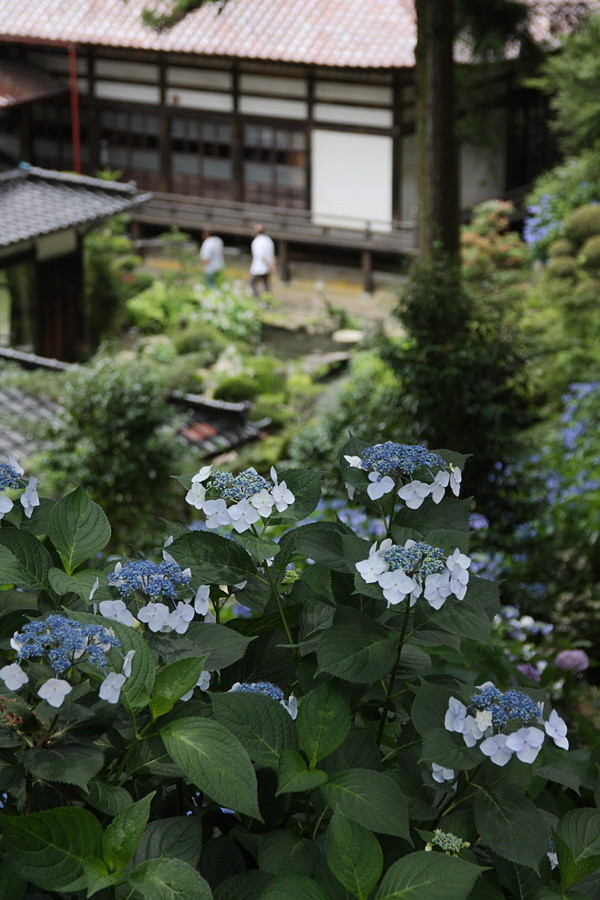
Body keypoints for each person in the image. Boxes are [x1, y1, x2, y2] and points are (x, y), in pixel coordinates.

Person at [249, 224, 275, 297]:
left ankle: (259, 299)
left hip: (259, 267)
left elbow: (261, 256)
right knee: (266, 284)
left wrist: (269, 265)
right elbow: (272, 254)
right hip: (267, 267)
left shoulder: (257, 241)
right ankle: (267, 301)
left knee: (252, 283)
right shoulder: (268, 240)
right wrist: (272, 265)